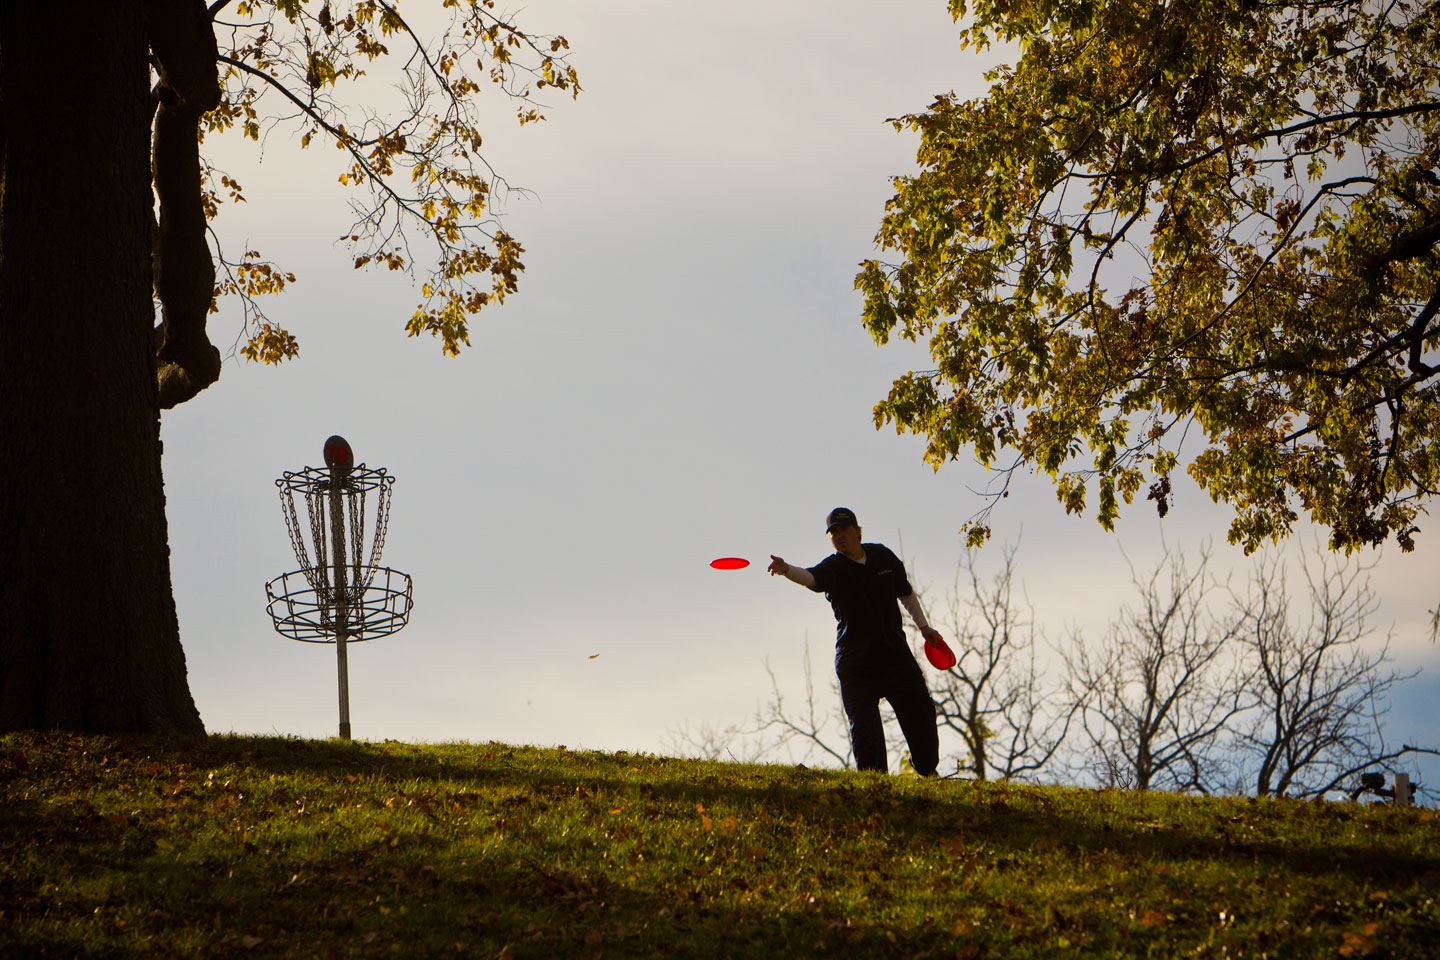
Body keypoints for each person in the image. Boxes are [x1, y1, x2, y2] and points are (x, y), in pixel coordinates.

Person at [768, 507, 941, 776]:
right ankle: (874, 786)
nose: (839, 535)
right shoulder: (834, 568)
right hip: (856, 664)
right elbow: (812, 578)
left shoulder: (883, 556)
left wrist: (924, 627)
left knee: (922, 719)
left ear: (858, 532)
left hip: (895, 658)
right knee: (865, 733)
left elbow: (905, 592)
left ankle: (928, 772)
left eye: (844, 529)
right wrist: (786, 569)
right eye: (833, 532)